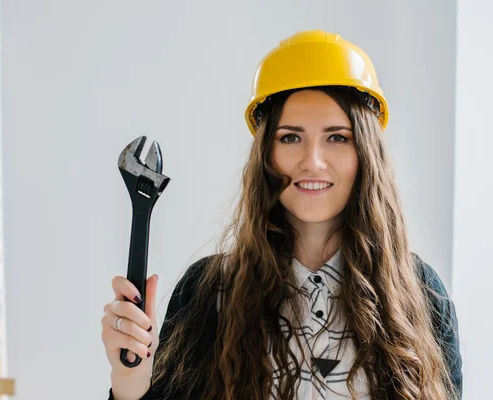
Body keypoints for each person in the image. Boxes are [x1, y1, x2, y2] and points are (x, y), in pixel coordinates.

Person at [101, 29, 463, 400]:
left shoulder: (421, 294)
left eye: (337, 137)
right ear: (266, 155)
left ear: (366, 154)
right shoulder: (208, 293)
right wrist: (130, 380)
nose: (313, 161)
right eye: (290, 137)